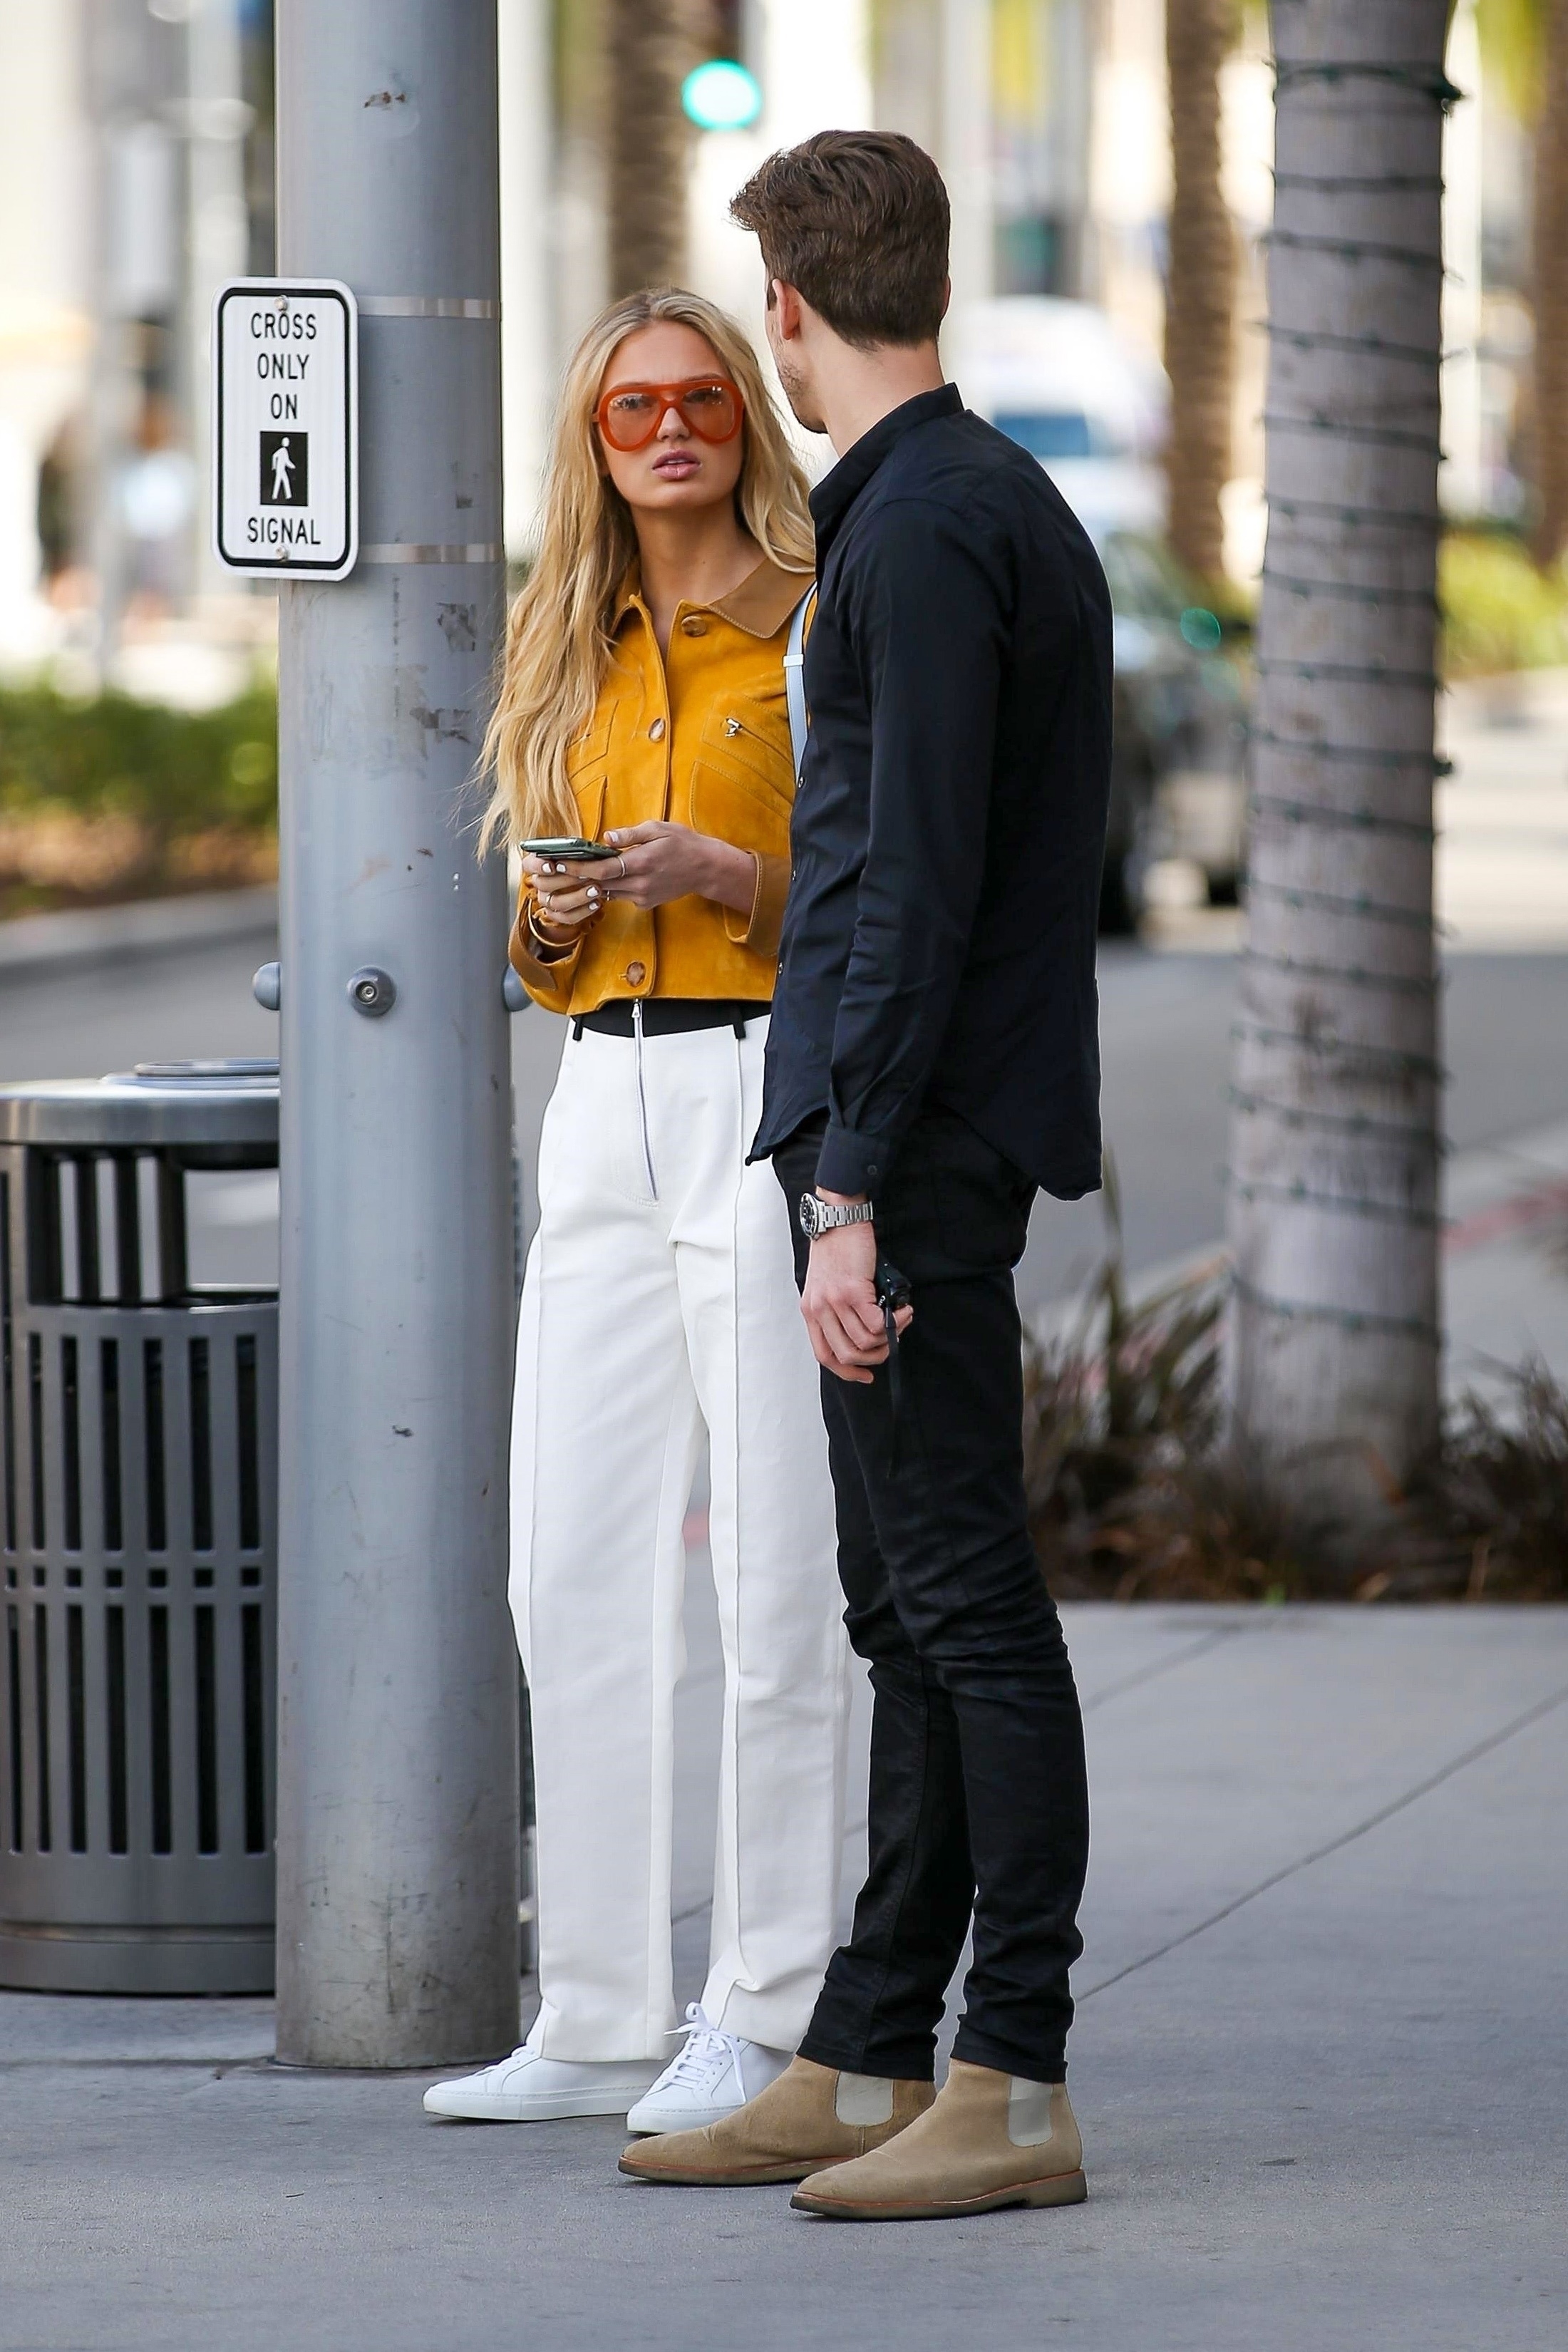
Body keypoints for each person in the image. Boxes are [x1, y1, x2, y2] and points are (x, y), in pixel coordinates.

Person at [621, 133, 1110, 2219]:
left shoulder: (919, 530)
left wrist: (849, 1193)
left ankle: (1016, 2078)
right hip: (913, 1135)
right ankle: (869, 2048)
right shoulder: (960, 503)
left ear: (795, 311)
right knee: (903, 1608)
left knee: (967, 1609)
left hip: (911, 1155)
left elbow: (906, 888)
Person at [424, 289, 849, 2132]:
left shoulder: (818, 619)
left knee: (774, 1572)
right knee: (570, 1565)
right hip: (602, 1094)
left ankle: (767, 2006)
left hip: (765, 1087)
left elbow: (878, 891)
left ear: (747, 413)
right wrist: (553, 916)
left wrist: (728, 873)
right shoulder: (568, 639)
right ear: (592, 445)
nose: (669, 430)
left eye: (699, 399)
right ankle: (596, 2008)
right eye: (631, 410)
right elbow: (541, 957)